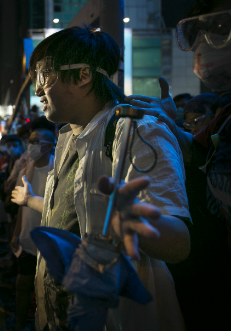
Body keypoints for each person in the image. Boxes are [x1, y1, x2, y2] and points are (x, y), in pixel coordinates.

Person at [12, 26, 190, 331]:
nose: (38, 90)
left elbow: (179, 243)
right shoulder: (67, 136)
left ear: (83, 75)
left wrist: (138, 223)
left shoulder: (138, 131)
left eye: (44, 76)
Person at [123, 1, 231, 329]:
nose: (202, 44)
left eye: (218, 28)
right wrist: (171, 125)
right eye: (196, 32)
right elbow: (200, 160)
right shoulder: (225, 117)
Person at [10, 128, 55, 331]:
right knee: (23, 286)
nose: (31, 146)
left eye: (36, 141)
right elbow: (22, 206)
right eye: (29, 141)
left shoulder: (57, 169)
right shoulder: (25, 170)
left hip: (49, 241)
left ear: (49, 145)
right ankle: (19, 324)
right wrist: (17, 233)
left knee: (46, 292)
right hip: (28, 239)